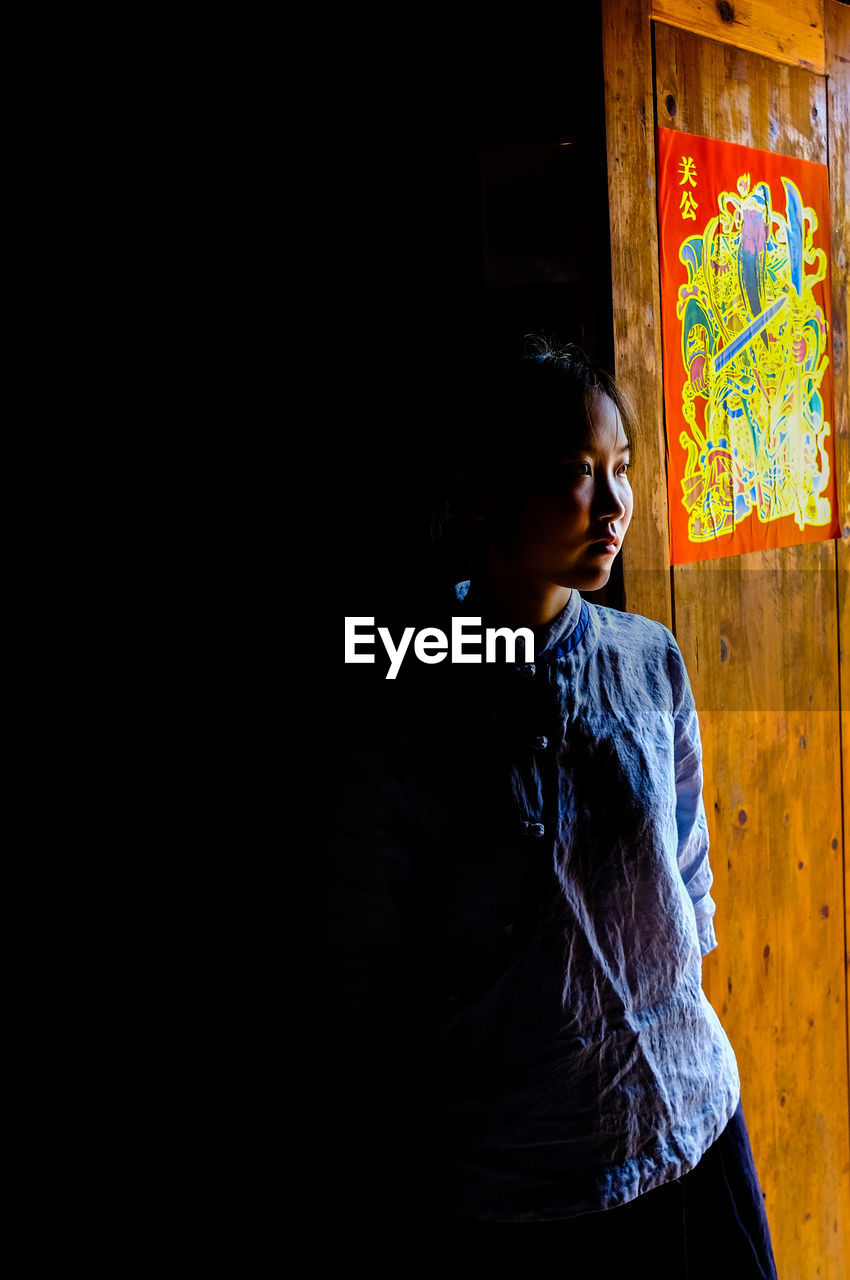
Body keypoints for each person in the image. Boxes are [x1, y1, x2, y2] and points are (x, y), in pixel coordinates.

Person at [321, 337, 777, 1276]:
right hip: (531, 1174)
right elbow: (374, 968)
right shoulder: (400, 697)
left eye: (623, 471)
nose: (614, 507)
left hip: (688, 1113)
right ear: (483, 490)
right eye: (578, 473)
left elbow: (688, 874)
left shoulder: (648, 659)